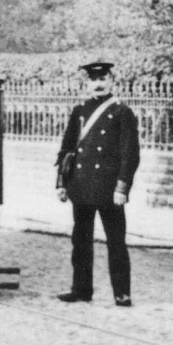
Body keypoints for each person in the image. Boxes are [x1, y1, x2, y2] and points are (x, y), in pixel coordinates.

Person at [55, 62, 140, 307]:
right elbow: (67, 148)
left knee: (116, 242)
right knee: (80, 241)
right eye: (94, 79)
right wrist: (61, 183)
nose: (99, 83)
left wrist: (122, 188)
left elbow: (129, 154)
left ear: (112, 80)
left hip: (109, 188)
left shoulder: (122, 112)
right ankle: (81, 289)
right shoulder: (79, 110)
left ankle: (122, 293)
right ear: (87, 83)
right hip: (81, 186)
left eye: (103, 78)